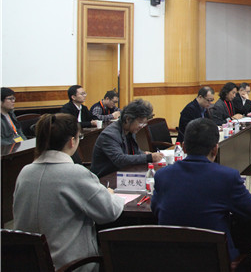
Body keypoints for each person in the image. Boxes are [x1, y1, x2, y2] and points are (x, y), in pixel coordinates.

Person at [13, 113, 124, 272]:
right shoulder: (75, 173)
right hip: (70, 264)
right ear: (72, 141)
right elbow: (109, 212)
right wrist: (113, 196)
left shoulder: (25, 172)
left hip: (28, 263)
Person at [152, 118, 251, 261]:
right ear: (215, 149)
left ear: (184, 147)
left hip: (171, 260)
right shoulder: (227, 177)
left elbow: (155, 210)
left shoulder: (162, 175)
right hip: (215, 260)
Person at [90, 99, 163, 177]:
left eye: (144, 124)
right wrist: (148, 157)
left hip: (124, 174)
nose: (141, 126)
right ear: (128, 119)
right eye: (140, 123)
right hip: (106, 177)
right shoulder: (109, 135)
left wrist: (143, 154)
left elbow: (134, 152)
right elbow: (120, 159)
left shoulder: (130, 131)